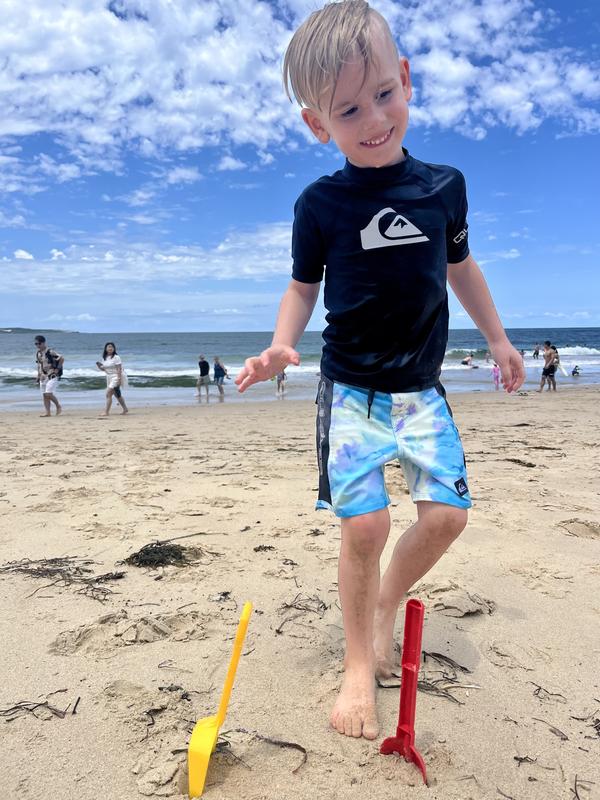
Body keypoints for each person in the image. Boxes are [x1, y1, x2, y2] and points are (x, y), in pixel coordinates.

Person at [235, 0, 524, 741]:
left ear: (406, 78)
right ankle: (358, 662)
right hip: (353, 386)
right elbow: (303, 287)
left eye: (384, 95)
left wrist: (497, 339)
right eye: (349, 108)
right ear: (317, 124)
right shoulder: (321, 203)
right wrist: (280, 345)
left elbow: (460, 267)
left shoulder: (442, 187)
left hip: (422, 388)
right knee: (365, 525)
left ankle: (387, 601)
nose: (374, 119)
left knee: (448, 516)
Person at [96, 342, 128, 415]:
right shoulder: (105, 358)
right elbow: (104, 369)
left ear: (114, 349)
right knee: (117, 394)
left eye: (111, 347)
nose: (110, 348)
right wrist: (99, 366)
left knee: (108, 393)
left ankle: (106, 412)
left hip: (116, 376)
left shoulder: (116, 357)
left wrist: (119, 379)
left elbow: (119, 369)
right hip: (109, 377)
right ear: (106, 349)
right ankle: (125, 409)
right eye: (108, 347)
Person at [34, 334, 63, 417]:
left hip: (52, 375)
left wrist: (57, 369)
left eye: (39, 343)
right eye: (36, 344)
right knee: (44, 395)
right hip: (43, 376)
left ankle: (58, 406)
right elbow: (39, 364)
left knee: (48, 393)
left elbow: (61, 358)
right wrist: (38, 375)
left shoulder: (49, 351)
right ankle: (48, 412)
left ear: (43, 343)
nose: (37, 345)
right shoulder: (38, 353)